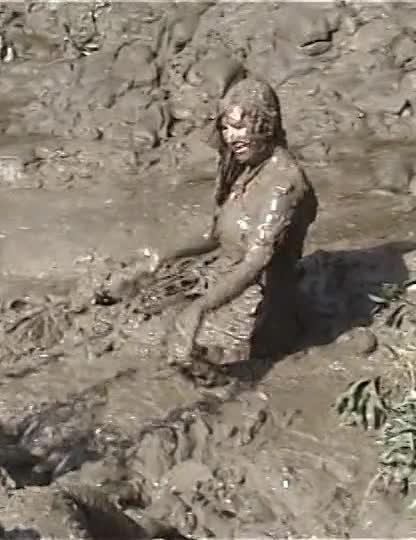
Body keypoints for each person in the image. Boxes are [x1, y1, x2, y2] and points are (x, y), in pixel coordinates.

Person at [118, 77, 318, 374]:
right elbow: (215, 235)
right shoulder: (248, 170)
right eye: (225, 128)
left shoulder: (284, 185)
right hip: (225, 281)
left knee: (164, 350)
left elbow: (255, 262)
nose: (230, 137)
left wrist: (198, 309)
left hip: (258, 314)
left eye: (239, 127)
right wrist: (157, 259)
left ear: (267, 124)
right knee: (140, 313)